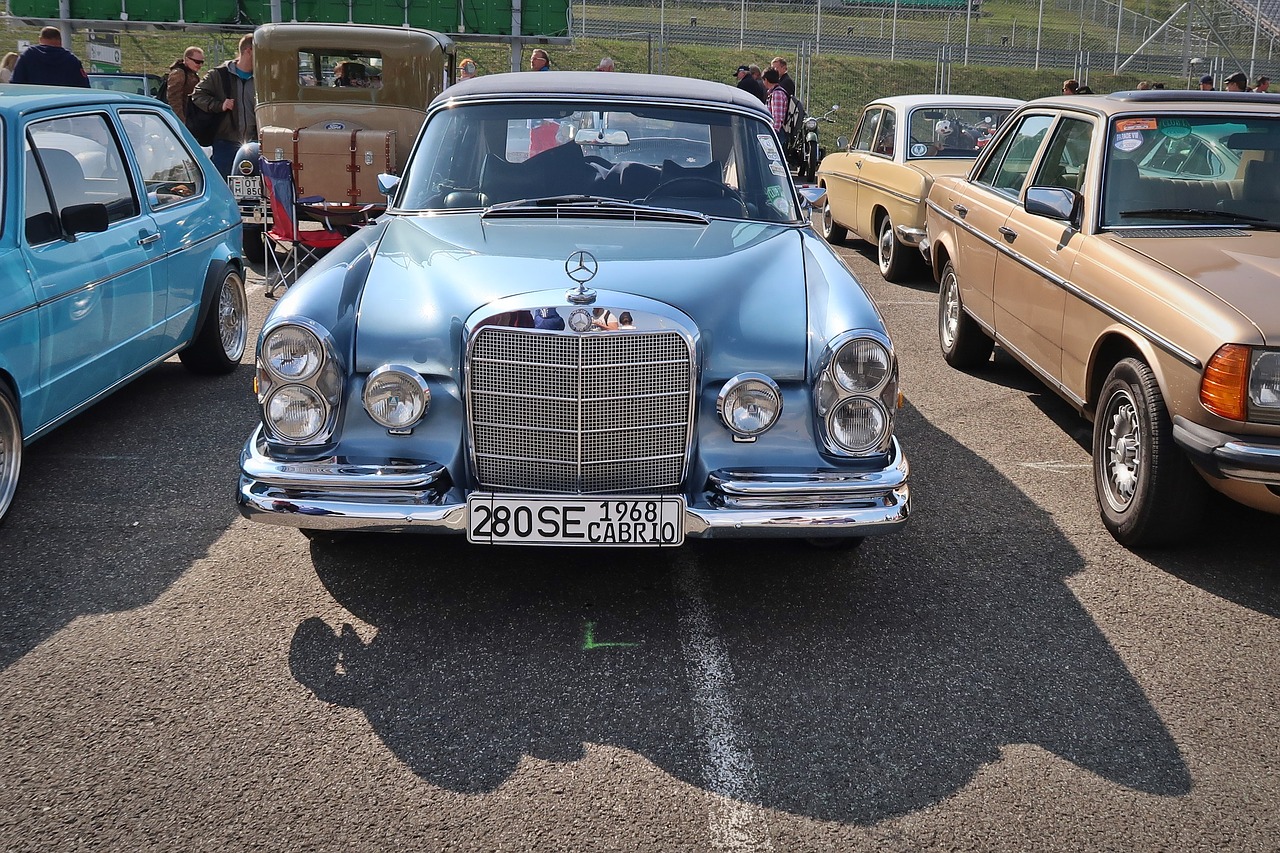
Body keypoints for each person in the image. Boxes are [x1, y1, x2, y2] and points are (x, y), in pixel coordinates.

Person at [191, 33, 256, 177]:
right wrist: (219, 105)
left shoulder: (261, 77)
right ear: (249, 51)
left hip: (254, 142)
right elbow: (197, 95)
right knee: (224, 183)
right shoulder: (219, 75)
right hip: (226, 141)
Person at [11, 26, 89, 87]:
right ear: (60, 40)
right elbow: (84, 86)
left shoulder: (28, 55)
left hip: (34, 103)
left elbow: (16, 83)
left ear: (40, 39)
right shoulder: (71, 59)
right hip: (63, 103)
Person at [165, 46, 204, 129]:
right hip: (180, 120)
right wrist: (180, 121)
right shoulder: (179, 73)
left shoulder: (191, 74)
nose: (200, 65)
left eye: (202, 62)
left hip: (189, 118)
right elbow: (174, 99)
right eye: (197, 62)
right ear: (187, 59)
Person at [762, 67, 789, 146]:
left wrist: (772, 135)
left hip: (777, 134)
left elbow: (777, 118)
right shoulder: (775, 92)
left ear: (766, 80)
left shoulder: (777, 94)